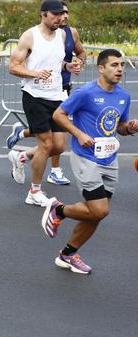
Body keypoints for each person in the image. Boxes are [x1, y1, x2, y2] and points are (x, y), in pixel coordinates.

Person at [42, 49, 138, 274]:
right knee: (100, 210)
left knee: (96, 214)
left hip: (109, 158)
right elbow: (58, 115)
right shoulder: (85, 92)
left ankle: (67, 255)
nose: (119, 69)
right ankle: (59, 210)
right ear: (101, 68)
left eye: (122, 65)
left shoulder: (123, 96)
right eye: (114, 65)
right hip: (87, 158)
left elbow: (119, 127)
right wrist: (78, 134)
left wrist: (130, 127)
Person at [7, 0, 79, 207]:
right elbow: (13, 67)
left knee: (58, 146)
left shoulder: (63, 35)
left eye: (63, 14)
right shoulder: (30, 36)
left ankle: (21, 156)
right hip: (34, 96)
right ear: (44, 14)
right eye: (56, 14)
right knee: (46, 144)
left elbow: (57, 63)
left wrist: (68, 67)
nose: (61, 18)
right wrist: (35, 73)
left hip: (57, 96)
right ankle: (34, 191)